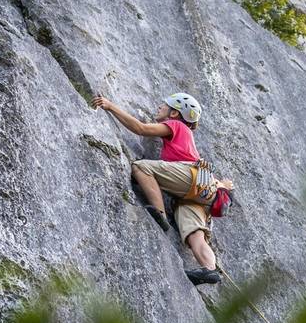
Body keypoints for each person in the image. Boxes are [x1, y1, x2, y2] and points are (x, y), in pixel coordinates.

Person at [91, 93, 233, 285]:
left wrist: (110, 106)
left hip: (192, 178)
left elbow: (140, 128)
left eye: (164, 106)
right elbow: (203, 174)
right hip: (202, 187)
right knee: (195, 234)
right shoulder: (188, 142)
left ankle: (160, 215)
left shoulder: (177, 125)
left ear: (174, 113)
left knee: (142, 167)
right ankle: (209, 269)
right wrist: (222, 185)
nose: (159, 107)